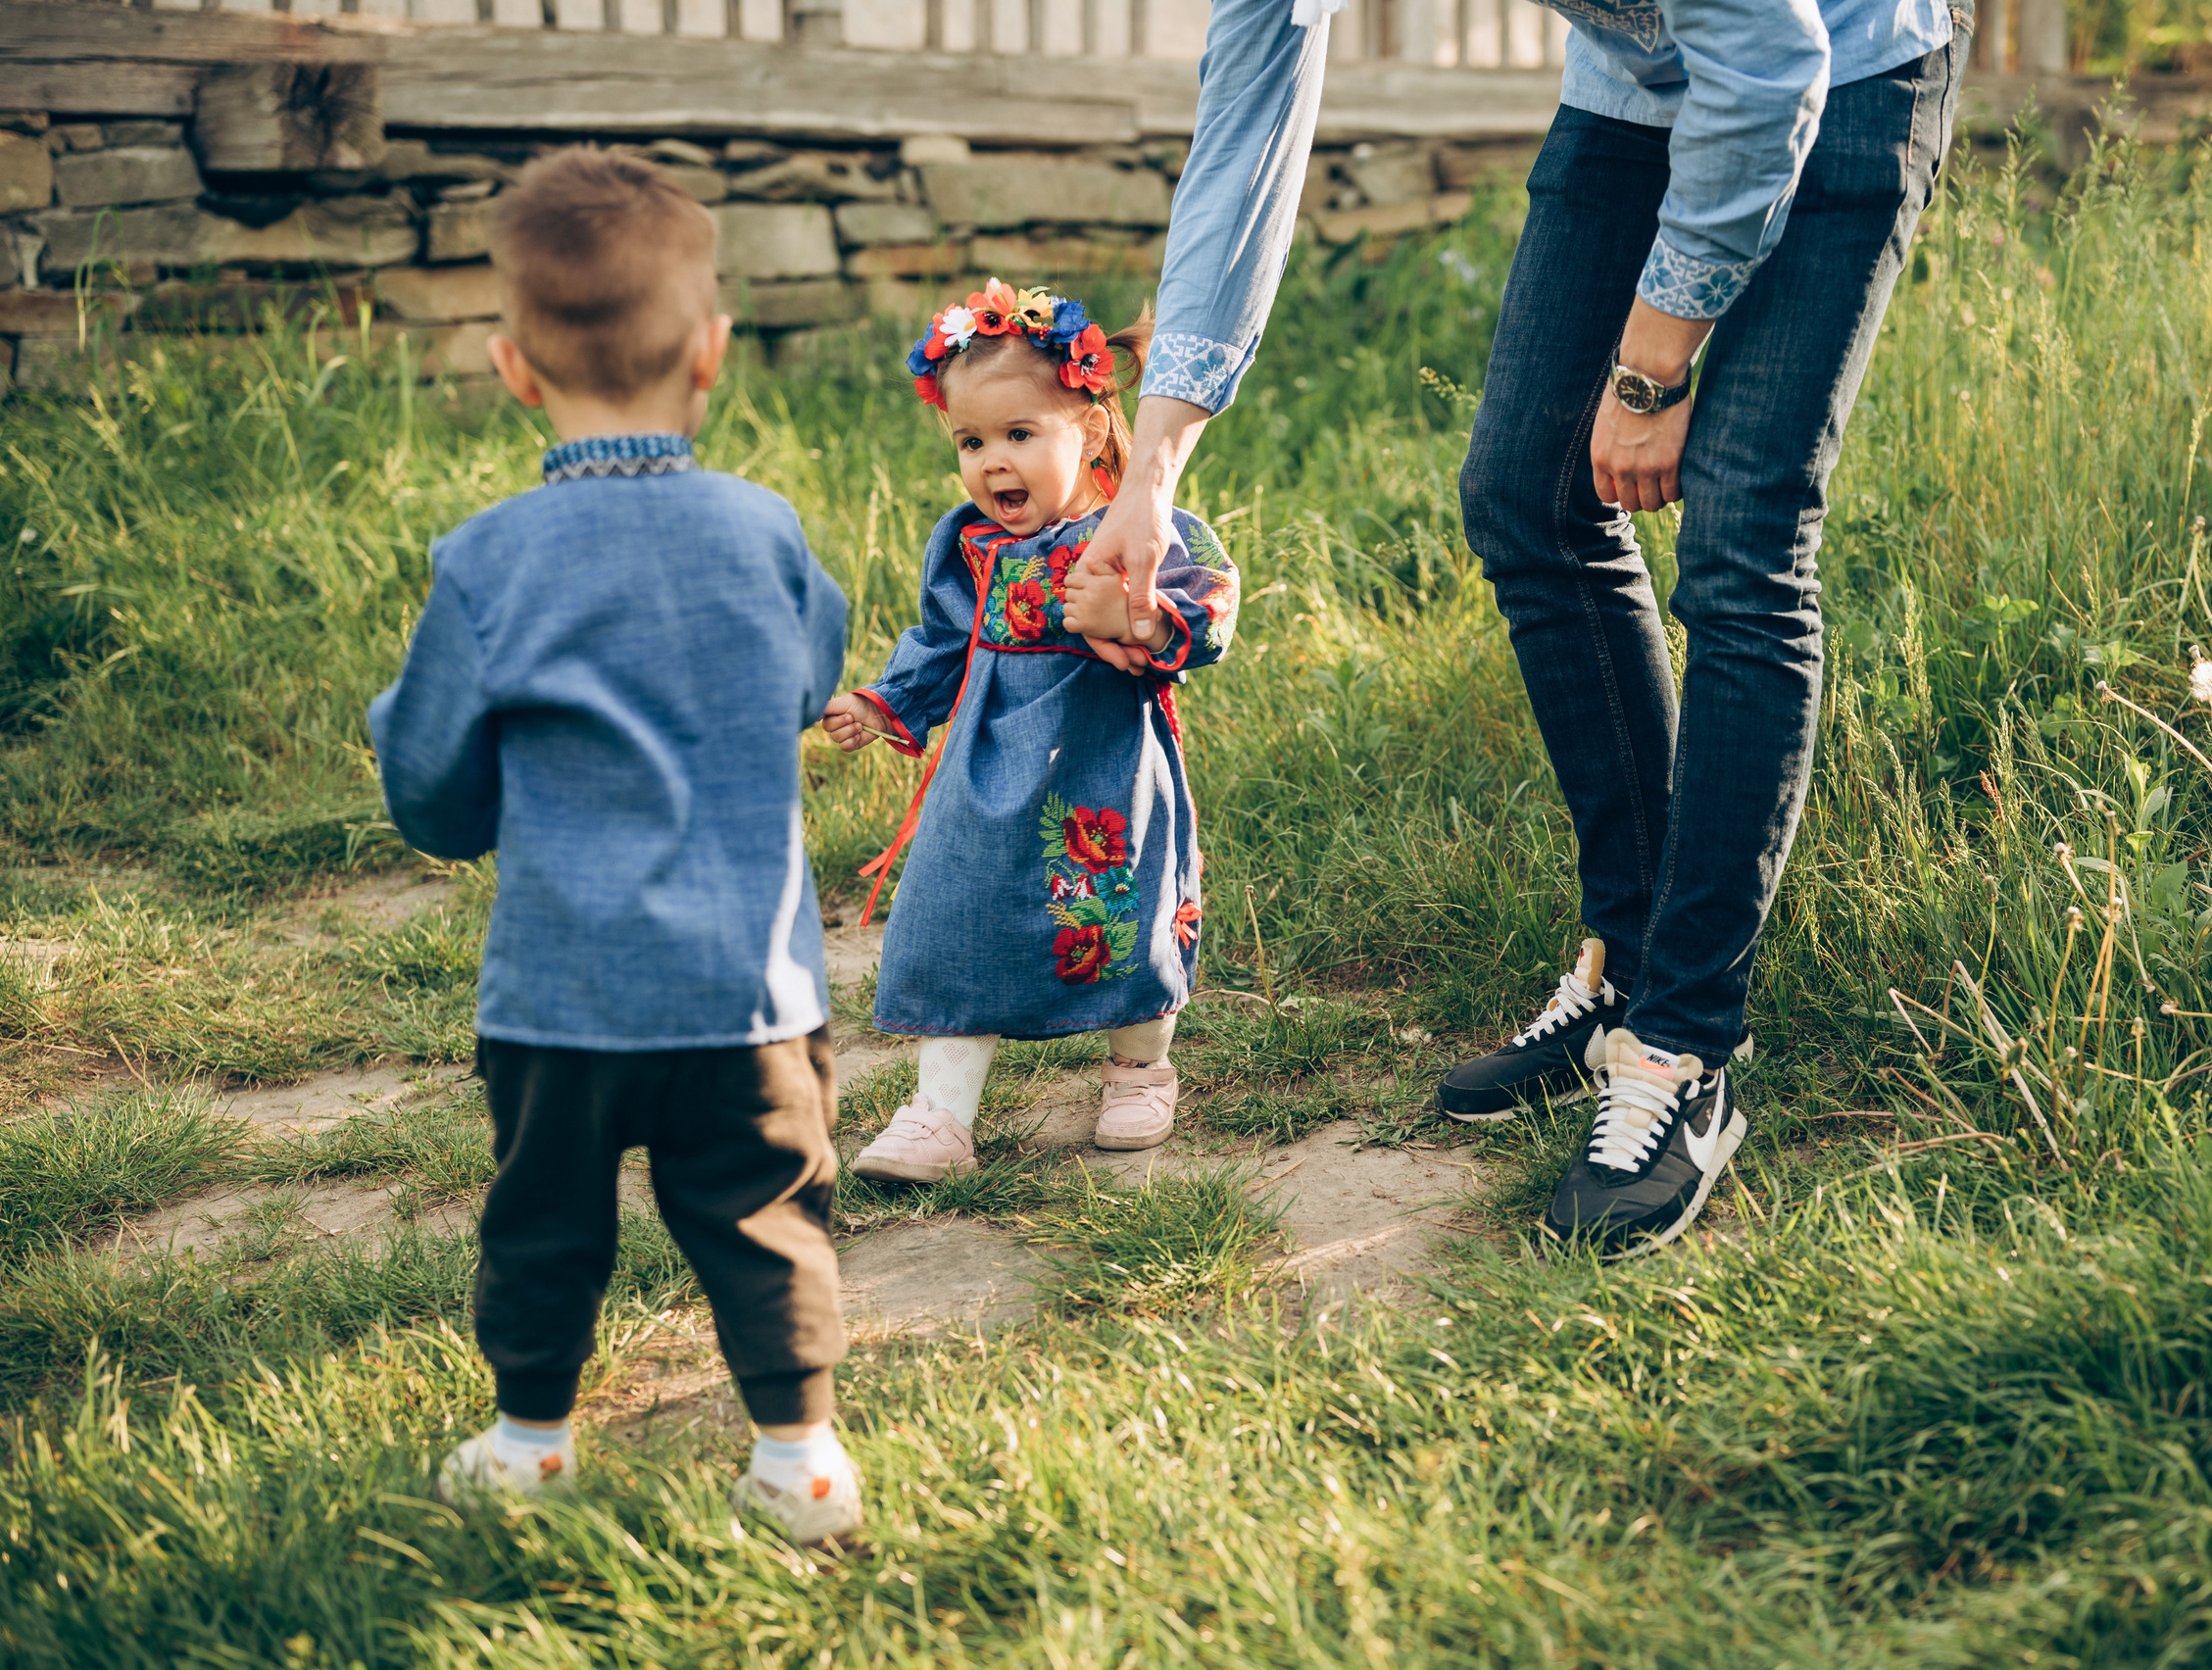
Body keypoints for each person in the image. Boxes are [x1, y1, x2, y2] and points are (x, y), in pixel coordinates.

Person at [1085, 0, 1970, 1252]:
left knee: (1742, 535)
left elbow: (1773, 65)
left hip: (1850, 57)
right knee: (1524, 497)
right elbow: (1244, 144)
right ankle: (1631, 961)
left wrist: (1652, 369)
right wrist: (1151, 477)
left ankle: (1686, 1045)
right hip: (1636, 85)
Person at [367, 149, 862, 1548]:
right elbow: (799, 671)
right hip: (747, 995)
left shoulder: (488, 561)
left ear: (511, 368)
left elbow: (435, 794)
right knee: (769, 1216)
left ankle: (531, 1440)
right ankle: (801, 1460)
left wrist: (422, 748)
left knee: (544, 1223)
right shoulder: (764, 534)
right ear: (712, 354)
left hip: (561, 1001)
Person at [822, 280, 1238, 1184]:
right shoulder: (969, 543)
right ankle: (939, 1114)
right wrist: (883, 701)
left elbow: (1210, 610)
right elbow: (942, 640)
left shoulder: (1139, 528)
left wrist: (1145, 617)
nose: (992, 463)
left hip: (1103, 770)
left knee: (1118, 913)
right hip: (982, 766)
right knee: (955, 914)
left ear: (1087, 430)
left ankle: (1139, 1065)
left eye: (1019, 435)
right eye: (972, 442)